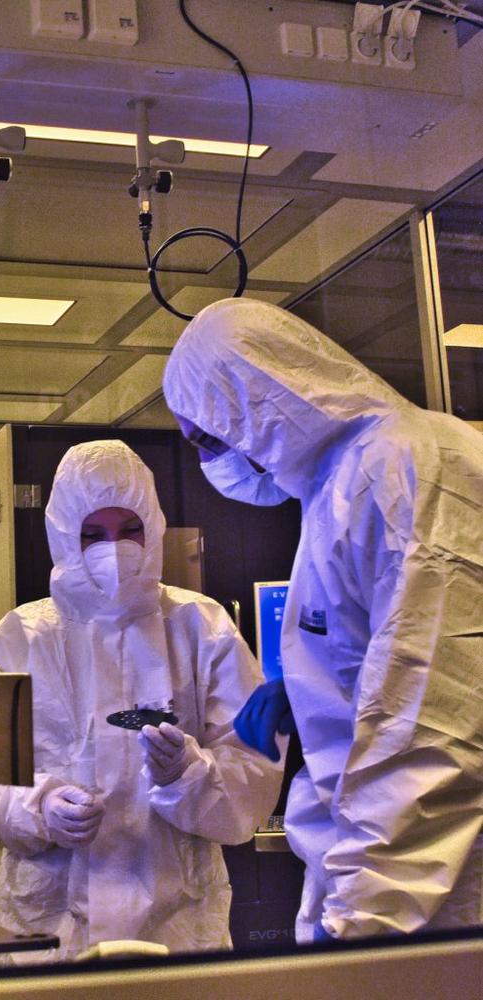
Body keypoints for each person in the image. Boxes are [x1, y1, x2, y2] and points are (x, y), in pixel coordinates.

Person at [162, 296, 483, 943]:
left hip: (433, 895)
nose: (213, 463)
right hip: (387, 879)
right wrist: (316, 691)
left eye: (209, 440)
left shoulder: (407, 467)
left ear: (253, 401)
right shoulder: (341, 486)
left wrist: (362, 930)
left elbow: (430, 733)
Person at [0, 439, 282, 961]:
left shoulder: (202, 626)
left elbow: (256, 766)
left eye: (129, 529)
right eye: (92, 534)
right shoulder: (21, 637)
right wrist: (39, 808)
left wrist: (188, 775)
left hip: (178, 926)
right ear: (63, 535)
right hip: (51, 930)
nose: (114, 548)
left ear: (154, 527)